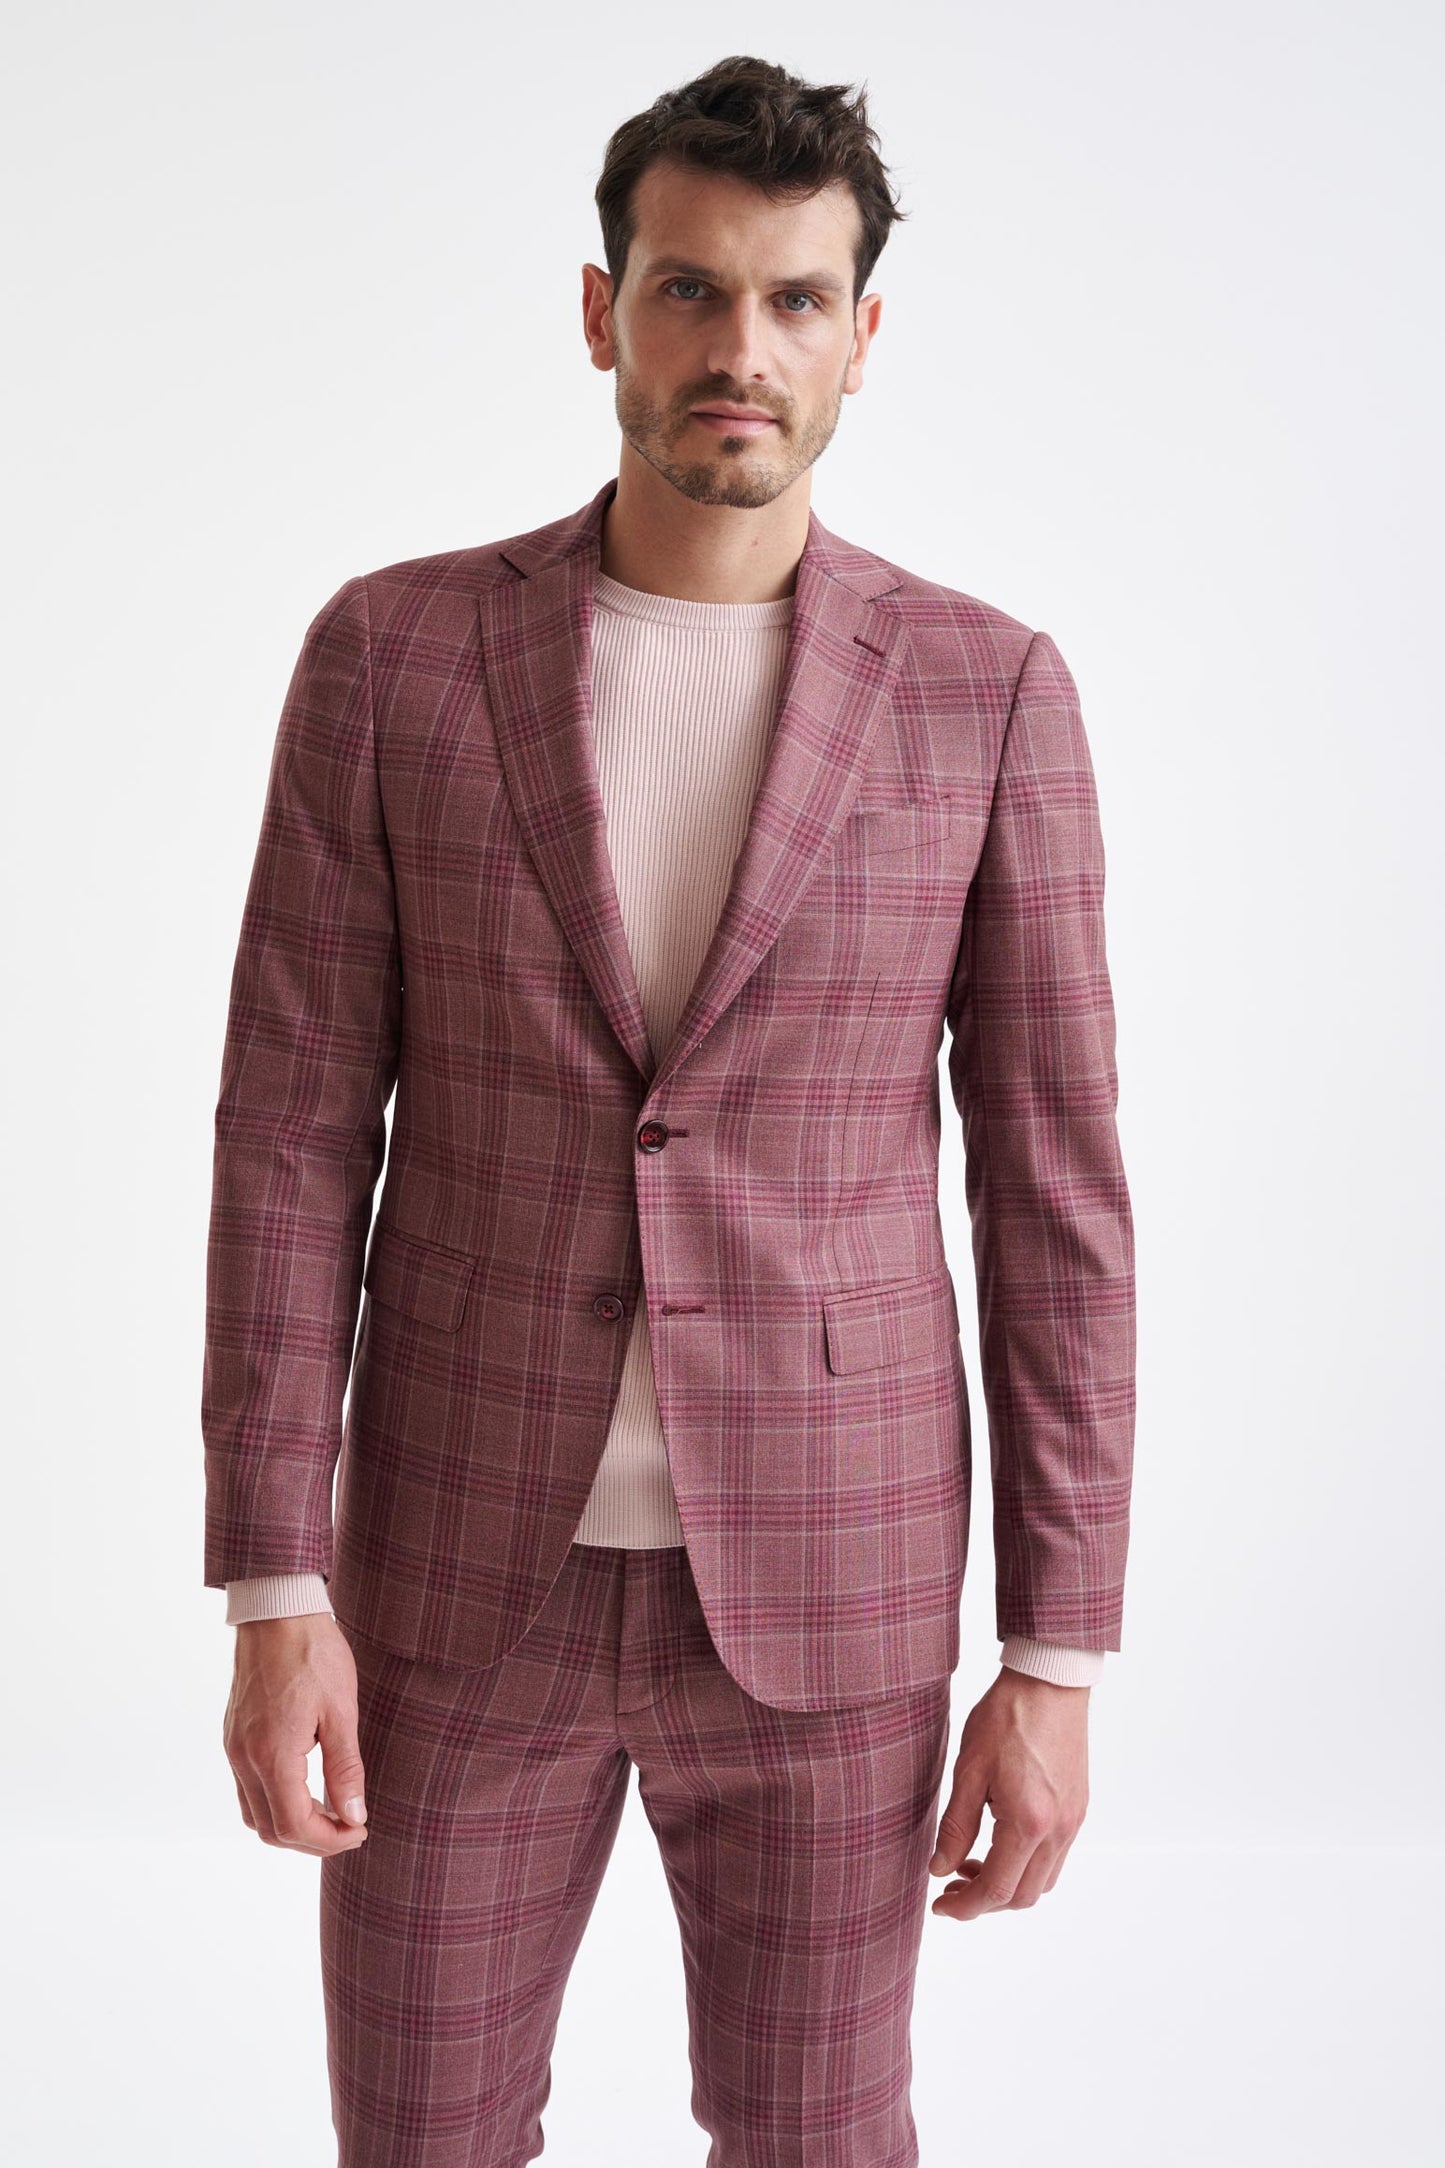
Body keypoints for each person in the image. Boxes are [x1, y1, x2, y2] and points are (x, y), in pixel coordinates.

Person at [204, 52, 1136, 2167]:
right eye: (690, 289)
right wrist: (272, 1586)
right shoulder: (393, 657)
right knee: (420, 2138)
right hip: (453, 1577)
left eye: (796, 300)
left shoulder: (987, 692)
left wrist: (1057, 1649)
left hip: (835, 1583)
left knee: (818, 2141)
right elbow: (288, 1140)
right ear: (601, 309)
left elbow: (1056, 1198)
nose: (742, 349)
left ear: (861, 336)